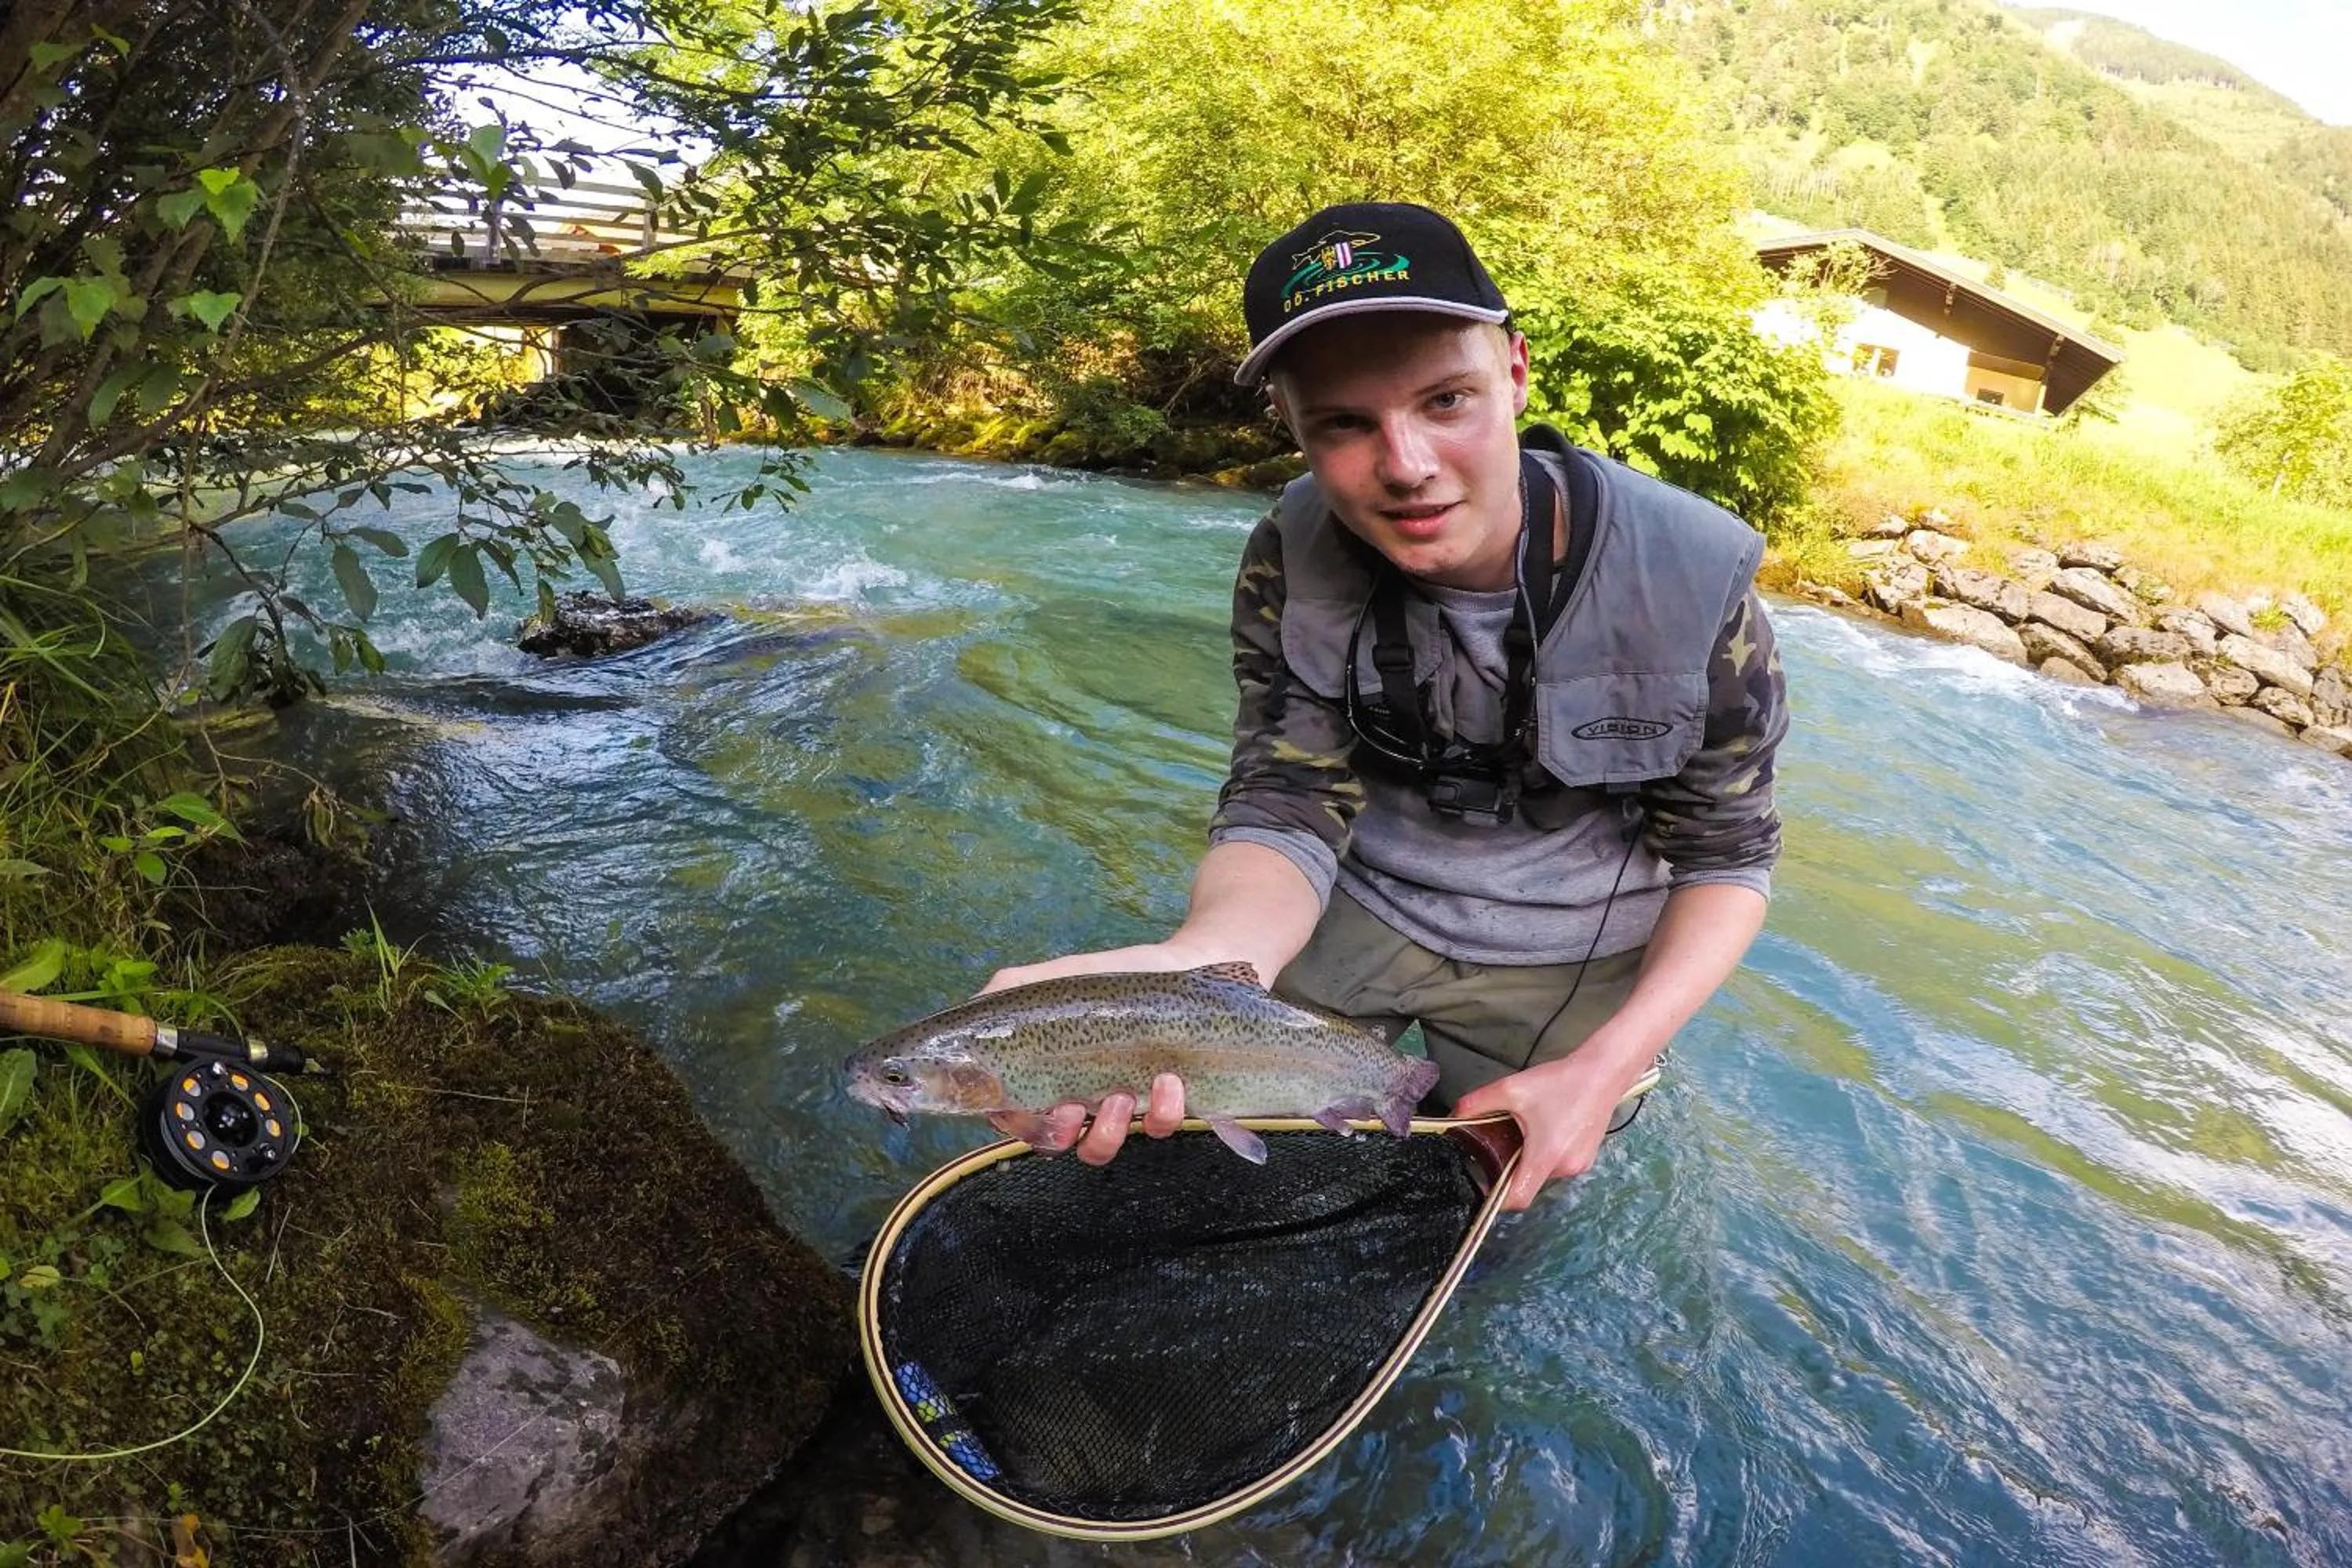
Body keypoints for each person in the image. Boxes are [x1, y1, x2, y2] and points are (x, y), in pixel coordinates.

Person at [982, 201, 1788, 1209]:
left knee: (1495, 1206)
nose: (1405, 466)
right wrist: (1196, 964)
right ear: (1294, 427)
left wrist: (1610, 1062)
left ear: (1517, 372)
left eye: (1447, 400)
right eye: (1345, 423)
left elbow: (1729, 854)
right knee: (1197, 1171)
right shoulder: (1291, 551)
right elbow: (1285, 796)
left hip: (1570, 953)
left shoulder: (1694, 579)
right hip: (1351, 905)